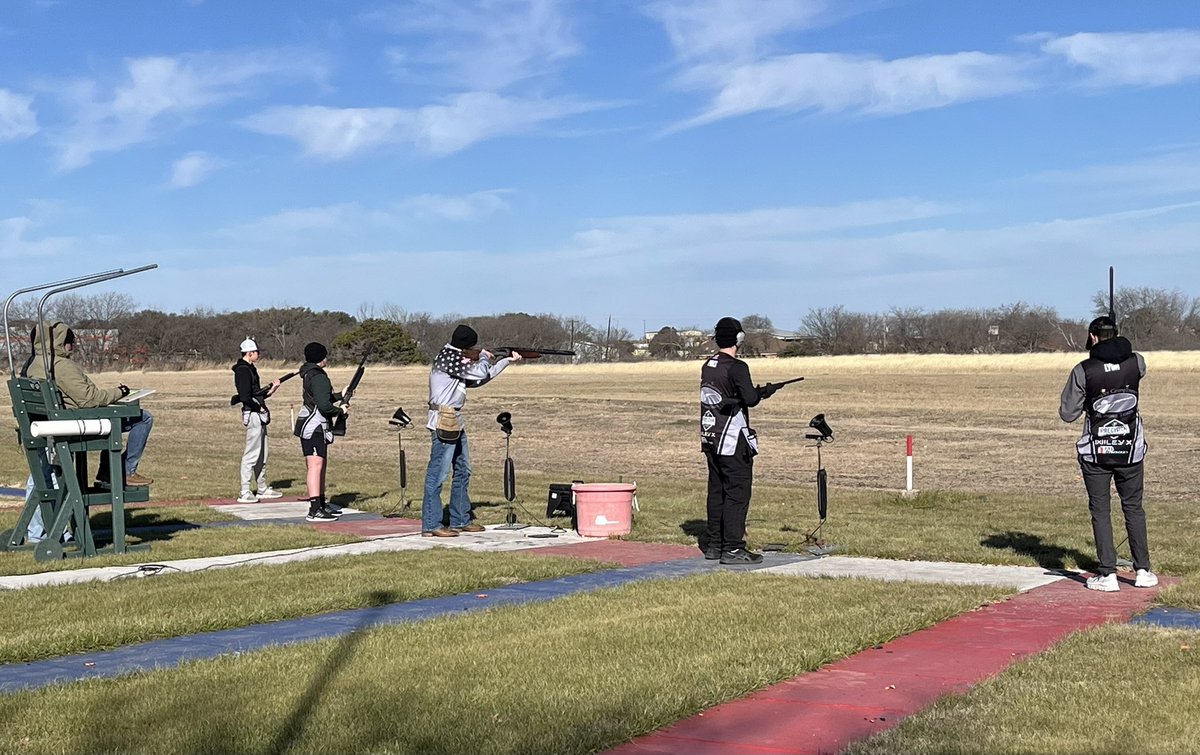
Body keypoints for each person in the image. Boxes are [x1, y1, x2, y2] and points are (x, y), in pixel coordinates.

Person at [1060, 315, 1156, 592]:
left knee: (1100, 511)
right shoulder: (1136, 361)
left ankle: (1108, 574)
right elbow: (1132, 365)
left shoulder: (1083, 370)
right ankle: (1143, 571)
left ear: (1092, 337)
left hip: (1096, 453)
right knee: (1134, 508)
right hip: (1131, 450)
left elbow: (1068, 413)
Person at [420, 324, 521, 537]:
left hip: (454, 418)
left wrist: (505, 362)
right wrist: (484, 357)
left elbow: (477, 380)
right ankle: (431, 524)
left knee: (463, 470)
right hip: (443, 420)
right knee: (438, 474)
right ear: (466, 345)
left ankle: (460, 520)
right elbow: (479, 370)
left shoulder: (455, 358)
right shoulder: (449, 357)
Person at [27, 320, 154, 488]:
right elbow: (89, 399)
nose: (72, 346)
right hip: (73, 424)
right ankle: (125, 471)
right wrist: (120, 392)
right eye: (70, 342)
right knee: (143, 418)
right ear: (61, 343)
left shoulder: (35, 363)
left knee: (115, 422)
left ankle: (107, 471)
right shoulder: (61, 365)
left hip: (53, 422)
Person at [699, 317, 778, 565]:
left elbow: (731, 395)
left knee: (716, 491)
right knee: (737, 493)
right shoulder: (737, 367)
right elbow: (750, 398)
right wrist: (761, 393)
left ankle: (715, 545)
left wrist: (753, 393)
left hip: (710, 437)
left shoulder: (708, 365)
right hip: (732, 439)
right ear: (739, 339)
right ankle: (733, 548)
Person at [296, 341, 348, 522]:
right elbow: (324, 405)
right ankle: (315, 509)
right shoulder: (318, 376)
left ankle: (321, 504)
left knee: (319, 466)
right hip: (314, 427)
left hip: (314, 425)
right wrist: (341, 411)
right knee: (315, 466)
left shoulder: (310, 374)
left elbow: (322, 397)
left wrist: (341, 395)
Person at [233, 337, 283, 503]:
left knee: (262, 453)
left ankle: (261, 488)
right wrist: (259, 408)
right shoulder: (243, 370)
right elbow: (246, 396)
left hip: (258, 412)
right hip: (254, 414)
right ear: (249, 353)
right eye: (256, 352)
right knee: (251, 453)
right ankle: (245, 490)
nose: (258, 354)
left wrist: (272, 389)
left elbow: (257, 393)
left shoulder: (250, 369)